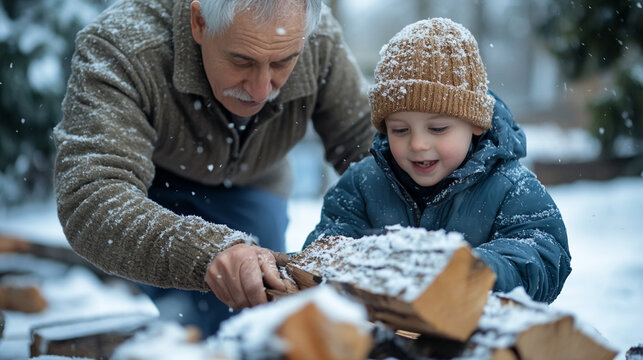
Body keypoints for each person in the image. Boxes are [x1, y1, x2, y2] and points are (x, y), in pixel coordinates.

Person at [53, 0, 374, 335]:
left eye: (282, 62)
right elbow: (92, 194)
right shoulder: (121, 44)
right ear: (199, 22)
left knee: (257, 319)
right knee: (181, 327)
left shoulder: (318, 38)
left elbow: (367, 149)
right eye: (242, 60)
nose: (262, 89)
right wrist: (205, 251)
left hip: (254, 184)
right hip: (147, 191)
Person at [304, 18, 572, 304]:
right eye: (400, 130)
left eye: (438, 129)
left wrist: (475, 272)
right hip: (382, 335)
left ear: (475, 124)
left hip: (479, 335)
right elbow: (324, 250)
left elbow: (544, 255)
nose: (418, 144)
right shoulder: (363, 184)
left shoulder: (510, 188)